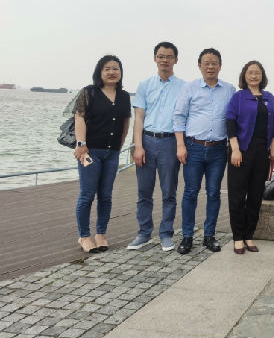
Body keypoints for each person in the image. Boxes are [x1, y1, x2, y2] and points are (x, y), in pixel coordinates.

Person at [173, 48, 236, 255]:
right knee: (190, 192)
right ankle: (187, 236)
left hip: (218, 149)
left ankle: (209, 235)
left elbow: (234, 118)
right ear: (199, 65)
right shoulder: (189, 88)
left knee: (214, 192)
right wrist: (180, 145)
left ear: (220, 66)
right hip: (193, 147)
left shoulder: (229, 89)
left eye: (214, 63)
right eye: (206, 63)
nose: (210, 66)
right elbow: (179, 117)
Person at [128, 42, 185, 253]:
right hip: (147, 140)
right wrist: (138, 146)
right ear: (155, 59)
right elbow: (139, 118)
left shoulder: (184, 87)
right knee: (144, 191)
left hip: (170, 142)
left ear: (176, 60)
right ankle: (144, 232)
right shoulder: (144, 85)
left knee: (169, 191)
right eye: (161, 56)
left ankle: (166, 233)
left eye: (169, 56)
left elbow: (184, 118)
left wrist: (181, 145)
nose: (165, 60)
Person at [73, 55, 131, 253]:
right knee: (87, 195)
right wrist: (81, 144)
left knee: (106, 195)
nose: (112, 72)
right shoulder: (89, 92)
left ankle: (101, 234)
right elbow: (79, 118)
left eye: (115, 68)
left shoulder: (124, 96)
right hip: (90, 152)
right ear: (100, 72)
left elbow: (125, 122)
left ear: (120, 72)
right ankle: (84, 236)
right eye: (107, 69)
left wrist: (120, 144)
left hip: (112, 153)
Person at [226, 61, 274, 254]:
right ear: (244, 75)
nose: (254, 76)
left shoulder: (269, 97)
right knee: (237, 196)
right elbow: (230, 122)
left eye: (257, 72)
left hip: (261, 153)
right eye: (250, 72)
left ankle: (249, 235)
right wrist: (235, 149)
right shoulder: (238, 97)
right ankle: (238, 237)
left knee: (256, 196)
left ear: (262, 76)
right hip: (241, 151)